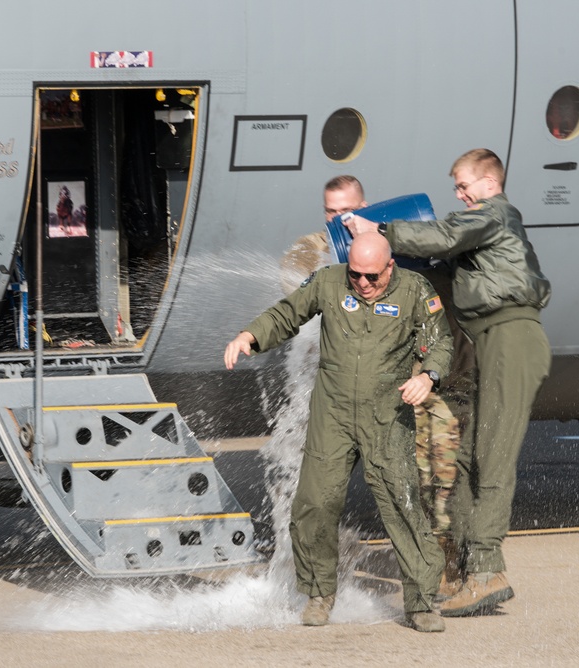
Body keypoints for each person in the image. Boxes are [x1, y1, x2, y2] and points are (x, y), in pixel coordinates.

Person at [343, 148, 552, 617]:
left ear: (490, 182)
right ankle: (462, 569)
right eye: (456, 188)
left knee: (492, 457)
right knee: (468, 458)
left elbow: (444, 234)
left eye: (464, 185)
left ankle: (486, 573)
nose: (458, 195)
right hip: (490, 342)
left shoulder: (497, 215)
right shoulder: (479, 241)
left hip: (512, 337)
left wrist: (382, 230)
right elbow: (441, 261)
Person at [225, 232, 452, 633]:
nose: (362, 283)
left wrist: (429, 376)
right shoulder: (330, 282)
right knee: (314, 502)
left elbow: (440, 342)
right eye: (356, 274)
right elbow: (287, 313)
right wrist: (250, 335)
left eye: (371, 276)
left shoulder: (416, 290)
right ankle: (318, 593)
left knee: (402, 504)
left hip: (387, 412)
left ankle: (420, 603)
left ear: (389, 267)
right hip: (333, 412)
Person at [280, 176, 473, 598]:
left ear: (365, 207)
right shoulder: (314, 250)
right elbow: (296, 296)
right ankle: (321, 568)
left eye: (345, 210)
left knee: (435, 483)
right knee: (327, 489)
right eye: (330, 211)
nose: (337, 218)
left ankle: (451, 567)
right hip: (355, 395)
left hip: (424, 387)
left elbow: (440, 321)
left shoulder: (407, 244)